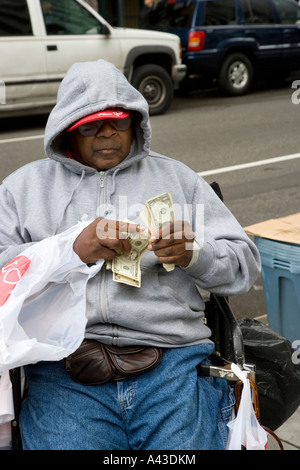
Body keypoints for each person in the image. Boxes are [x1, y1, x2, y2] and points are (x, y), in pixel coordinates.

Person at [0, 59, 261, 450]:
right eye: (91, 125)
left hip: (172, 361)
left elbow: (244, 264)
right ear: (68, 129)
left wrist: (196, 255)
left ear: (136, 122)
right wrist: (69, 251)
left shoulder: (179, 180)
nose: (107, 135)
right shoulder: (23, 189)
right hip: (64, 366)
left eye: (118, 122)